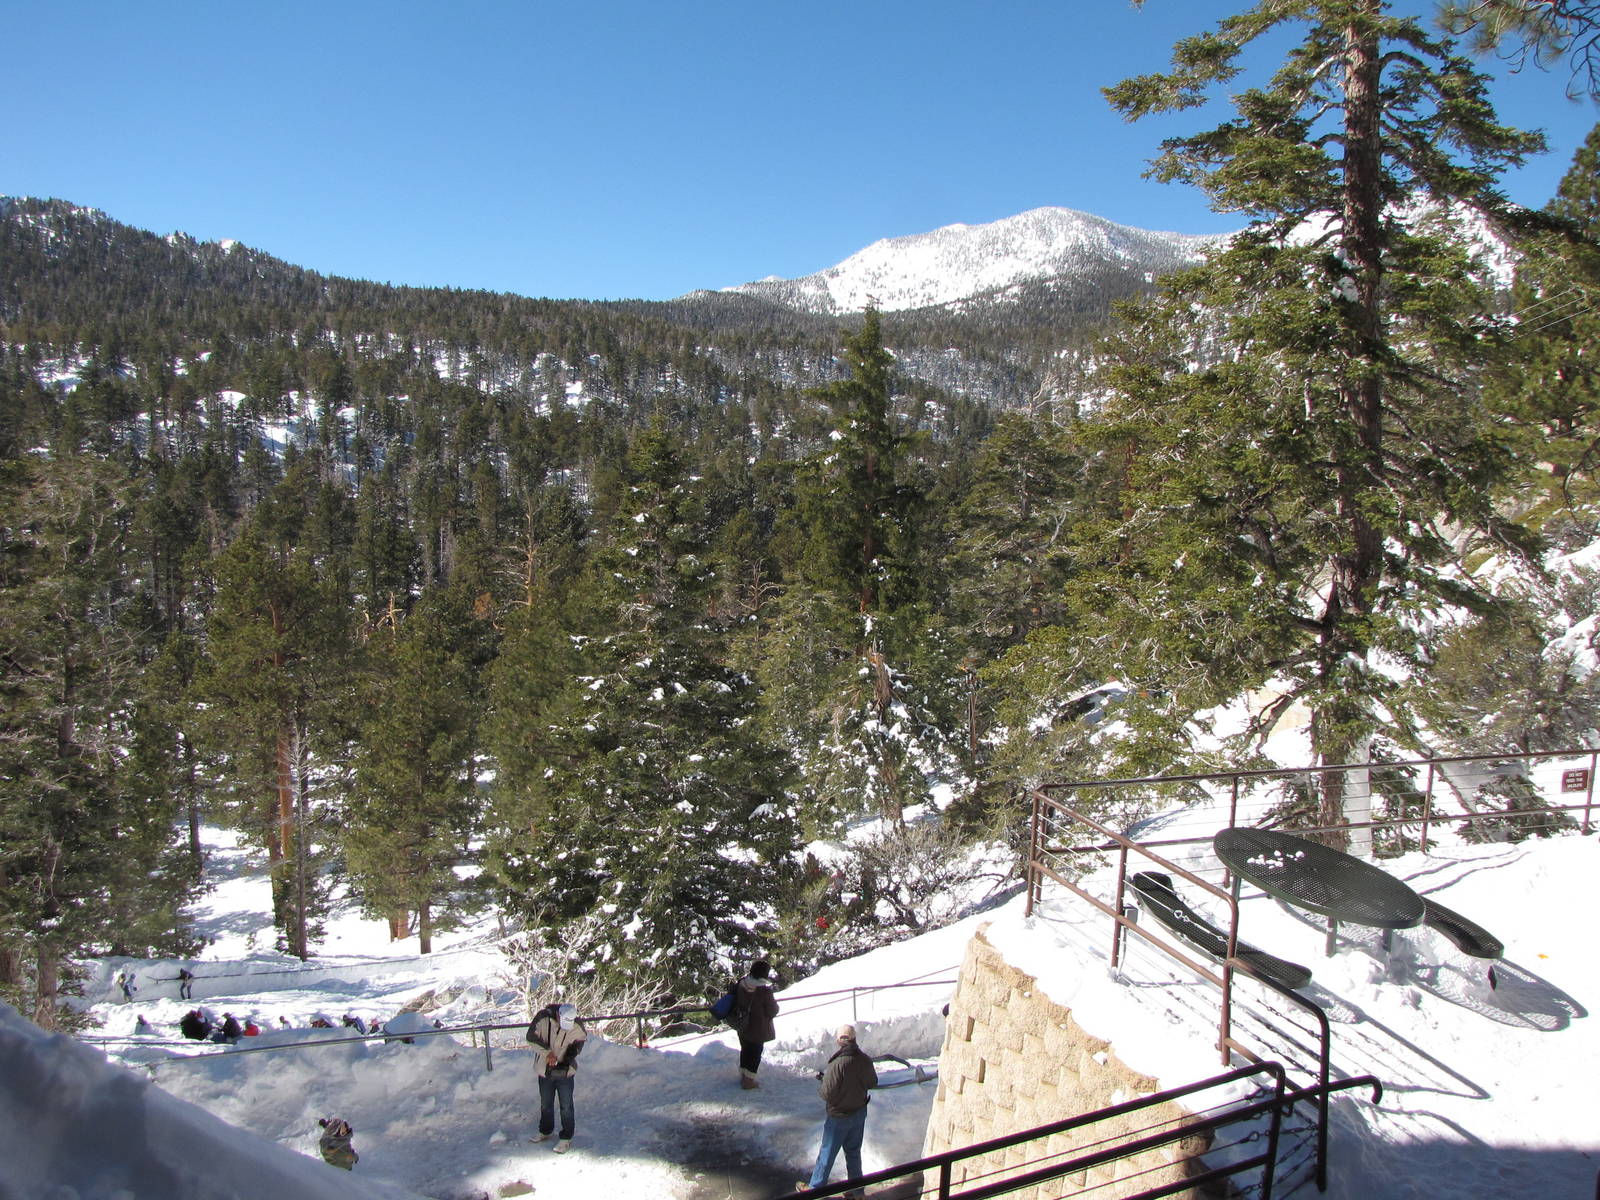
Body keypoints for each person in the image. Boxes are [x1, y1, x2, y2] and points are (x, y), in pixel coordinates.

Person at [801, 1024, 878, 1197]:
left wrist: (825, 1081)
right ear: (854, 1039)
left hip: (839, 1117)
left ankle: (815, 1190)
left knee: (827, 1154)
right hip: (859, 1113)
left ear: (839, 1040)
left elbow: (826, 1093)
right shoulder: (864, 1060)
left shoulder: (837, 1064)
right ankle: (857, 1191)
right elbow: (873, 1082)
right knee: (853, 1153)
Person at [524, 1002, 587, 1153]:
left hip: (565, 1071)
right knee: (546, 1103)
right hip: (544, 1069)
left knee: (566, 1105)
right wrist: (547, 1053)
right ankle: (545, 1130)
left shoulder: (577, 1025)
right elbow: (530, 1037)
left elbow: (580, 1041)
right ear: (558, 1015)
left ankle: (566, 1137)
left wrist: (567, 1059)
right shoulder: (543, 1018)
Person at [734, 959, 780, 1089]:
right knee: (755, 1053)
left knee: (745, 1049)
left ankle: (743, 1075)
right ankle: (749, 1081)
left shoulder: (742, 983)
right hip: (758, 1027)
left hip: (742, 1024)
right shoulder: (764, 991)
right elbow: (773, 1010)